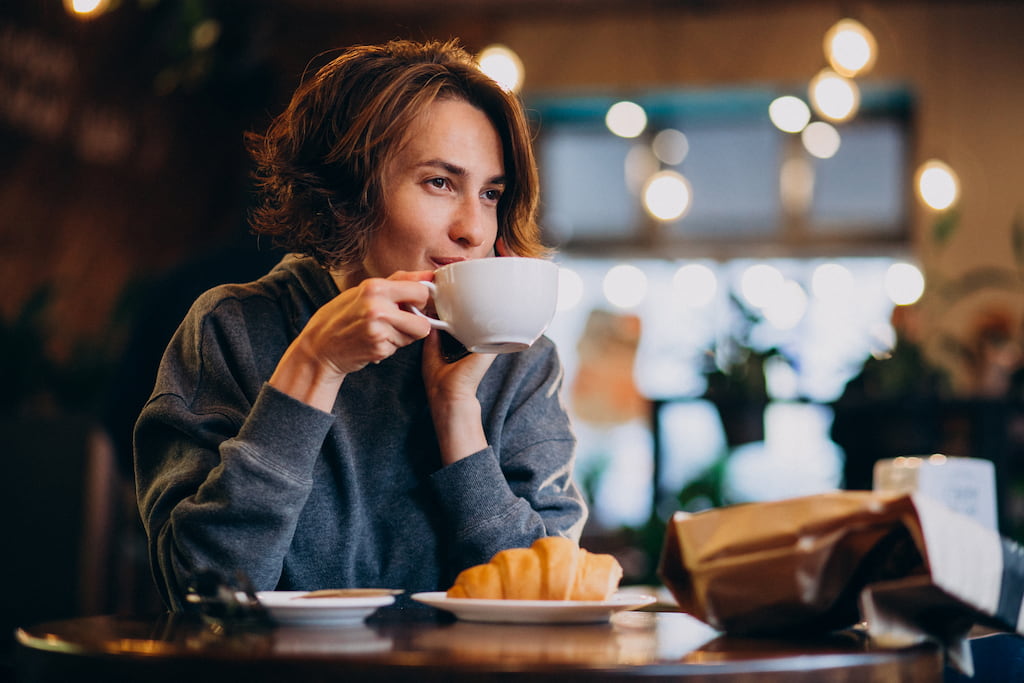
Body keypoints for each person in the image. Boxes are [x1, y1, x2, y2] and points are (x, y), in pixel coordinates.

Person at [134, 38, 587, 610]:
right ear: (345, 194)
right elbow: (205, 594)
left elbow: (548, 598)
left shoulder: (519, 361)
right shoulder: (235, 329)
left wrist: (458, 419)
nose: (474, 229)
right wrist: (312, 367)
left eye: (491, 193)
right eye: (440, 182)